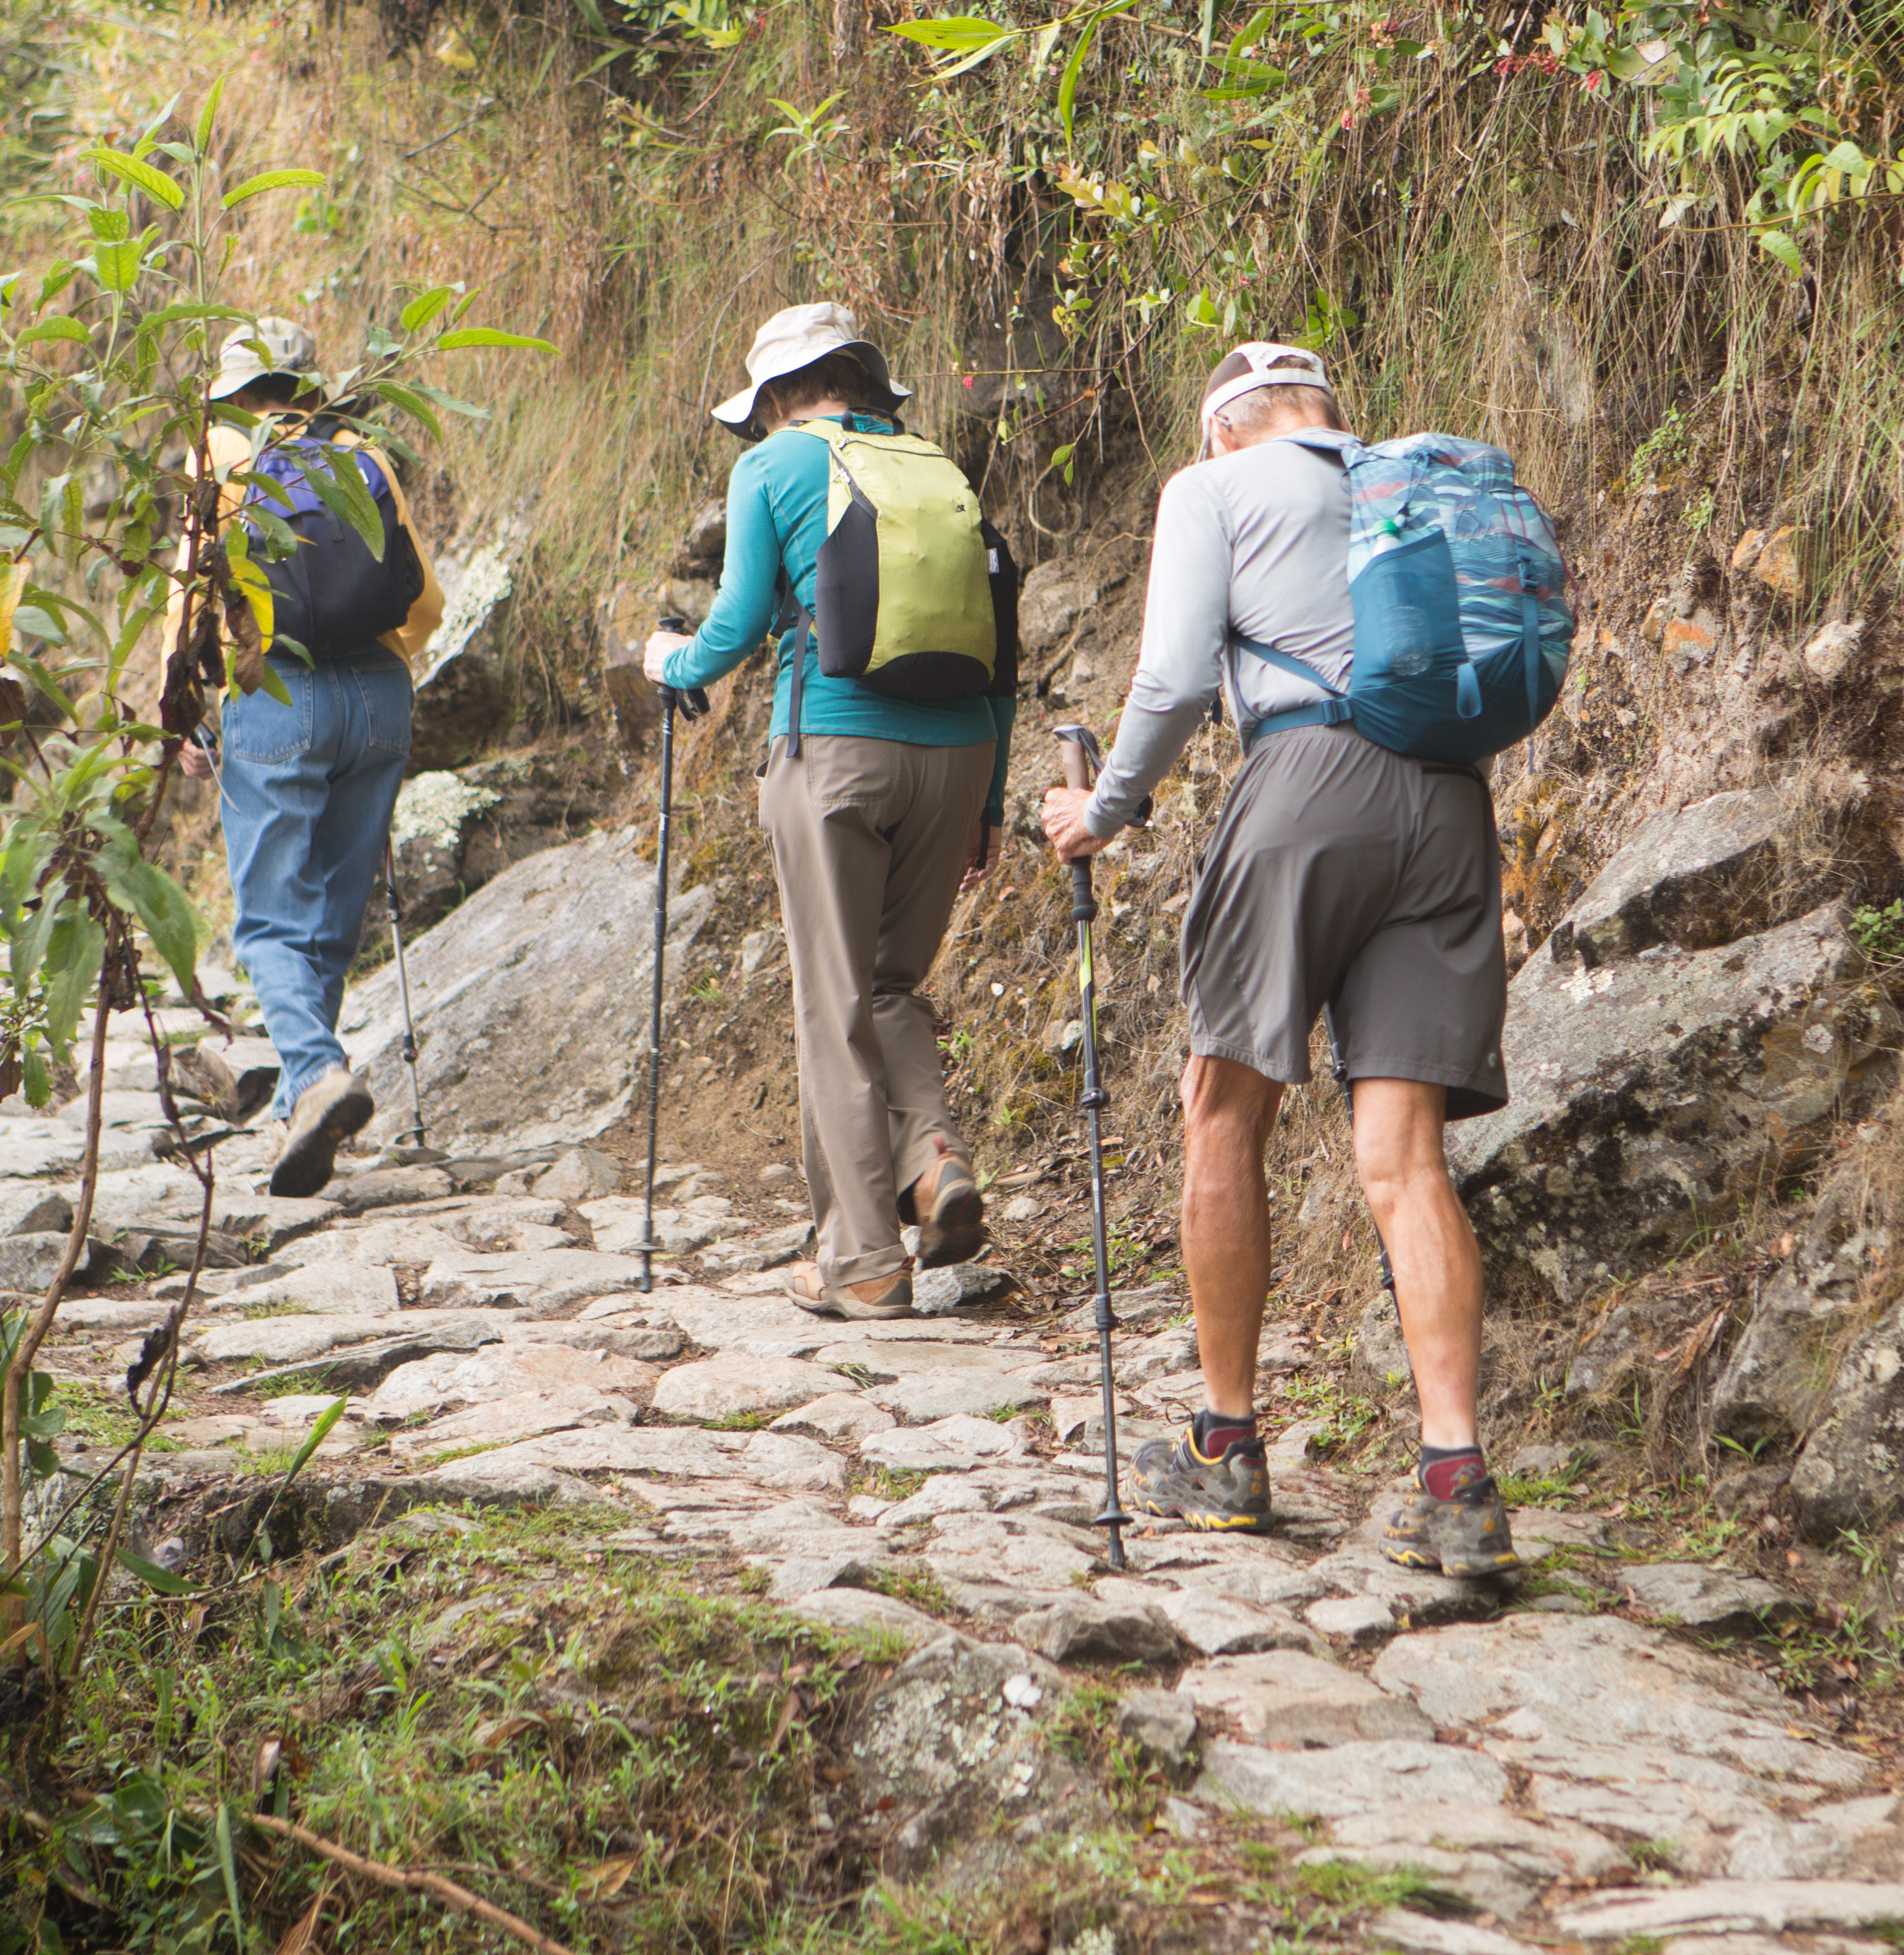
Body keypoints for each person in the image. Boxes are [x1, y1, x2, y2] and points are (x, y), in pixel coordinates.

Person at [1037, 340, 1518, 1576]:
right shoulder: (1403, 485)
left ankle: (1226, 1444)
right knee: (1404, 1156)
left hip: (1308, 782)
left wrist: (1105, 811)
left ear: (1226, 426)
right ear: (1323, 412)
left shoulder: (1214, 488)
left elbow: (1173, 674)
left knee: (1222, 1106)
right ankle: (1456, 1479)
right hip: (1453, 803)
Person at [646, 302, 1012, 1319]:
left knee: (833, 1007)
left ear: (773, 396)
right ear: (863, 381)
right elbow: (1002, 642)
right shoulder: (937, 468)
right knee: (891, 987)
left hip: (836, 756)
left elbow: (732, 625)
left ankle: (864, 1263)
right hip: (959, 754)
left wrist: (663, 661)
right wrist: (987, 799)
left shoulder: (771, 468)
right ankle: (935, 1165)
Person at [163, 319, 444, 1199]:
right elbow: (424, 598)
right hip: (379, 696)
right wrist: (381, 671)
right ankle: (303, 1108)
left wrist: (183, 711)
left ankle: (316, 1074)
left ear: (232, 392)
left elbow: (189, 595)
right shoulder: (360, 449)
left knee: (271, 921)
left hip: (276, 693)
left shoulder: (217, 455)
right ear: (306, 385)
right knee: (330, 915)